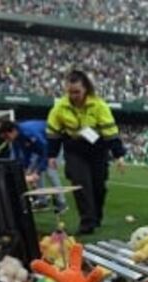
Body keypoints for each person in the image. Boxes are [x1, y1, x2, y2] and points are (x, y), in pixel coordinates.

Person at [46, 69, 126, 235]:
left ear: (86, 89)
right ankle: (87, 222)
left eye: (77, 92)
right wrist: (51, 155)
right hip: (74, 150)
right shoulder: (60, 107)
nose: (74, 95)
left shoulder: (99, 106)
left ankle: (96, 216)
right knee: (81, 185)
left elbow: (110, 131)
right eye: (70, 92)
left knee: (98, 186)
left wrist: (119, 156)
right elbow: (53, 133)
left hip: (98, 149)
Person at [0, 119, 66, 210]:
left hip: (51, 145)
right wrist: (25, 169)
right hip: (39, 148)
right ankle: (42, 200)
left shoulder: (29, 132)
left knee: (50, 172)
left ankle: (62, 202)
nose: (7, 140)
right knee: (33, 172)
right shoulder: (16, 138)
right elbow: (23, 154)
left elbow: (45, 150)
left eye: (7, 136)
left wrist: (38, 171)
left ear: (13, 131)